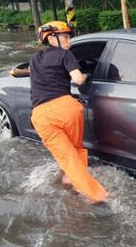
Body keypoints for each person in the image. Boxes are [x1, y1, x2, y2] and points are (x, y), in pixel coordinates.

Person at [19, 21, 108, 203]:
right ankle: (88, 190)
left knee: (67, 156)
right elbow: (78, 80)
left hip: (41, 115)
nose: (70, 41)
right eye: (66, 37)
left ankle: (86, 188)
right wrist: (86, 75)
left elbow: (26, 73)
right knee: (75, 151)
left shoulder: (35, 59)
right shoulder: (65, 55)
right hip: (66, 108)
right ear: (52, 39)